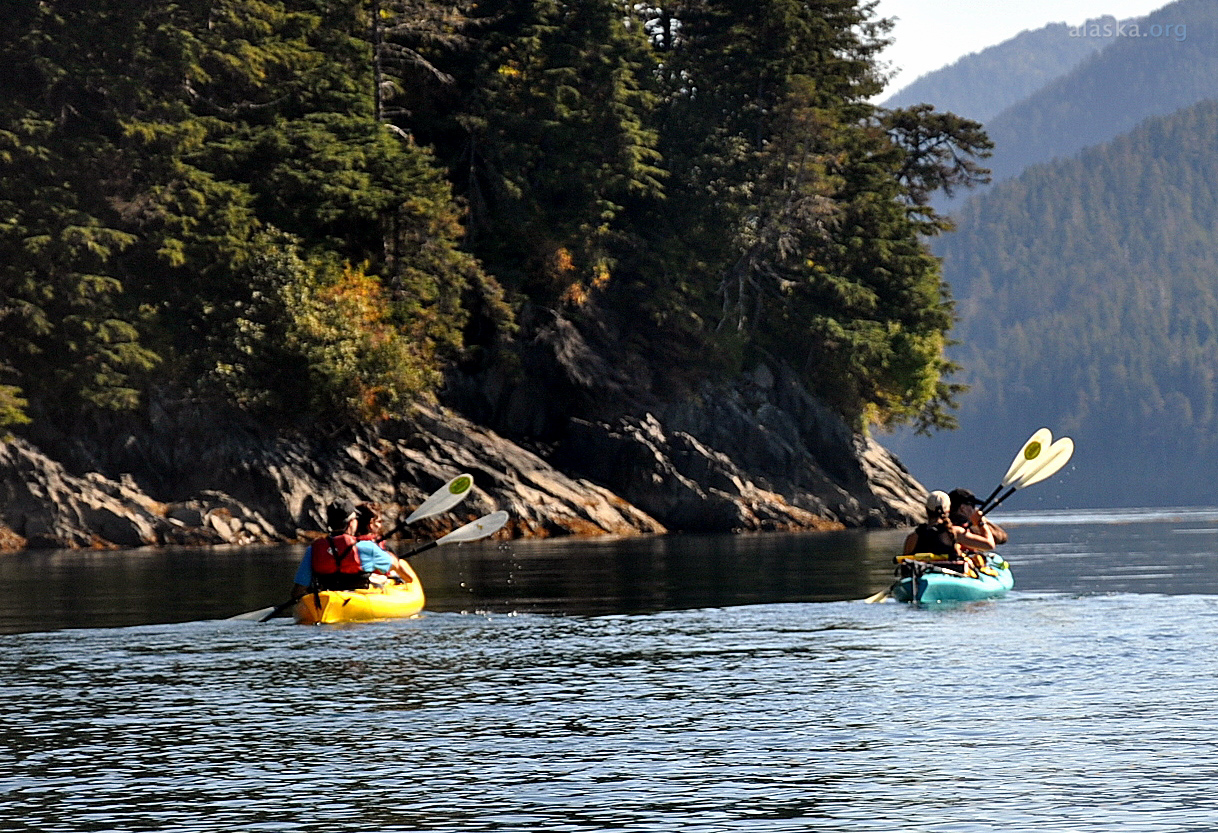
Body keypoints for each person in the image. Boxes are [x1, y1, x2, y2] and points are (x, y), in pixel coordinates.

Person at [290, 499, 411, 598]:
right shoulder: (366, 547)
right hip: (359, 599)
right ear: (352, 522)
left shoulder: (313, 550)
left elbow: (298, 591)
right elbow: (397, 566)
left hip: (327, 600)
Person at [903, 490, 995, 558]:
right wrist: (981, 523)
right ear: (948, 510)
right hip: (951, 576)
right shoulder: (955, 532)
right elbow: (989, 545)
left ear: (926, 510)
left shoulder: (913, 537)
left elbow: (905, 566)